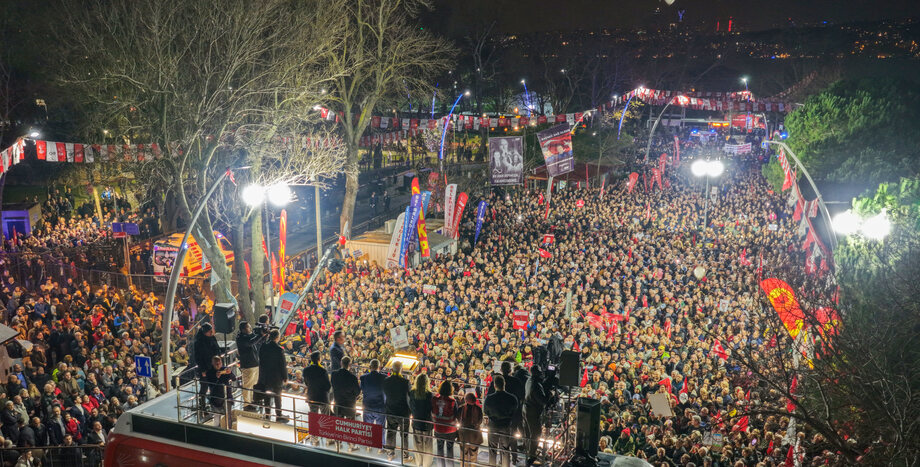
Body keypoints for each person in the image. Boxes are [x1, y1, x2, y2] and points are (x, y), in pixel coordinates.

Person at [483, 375, 518, 467]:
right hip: (506, 425)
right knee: (506, 450)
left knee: (492, 449)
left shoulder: (489, 398)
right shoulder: (512, 398)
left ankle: (492, 465)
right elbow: (515, 411)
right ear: (504, 384)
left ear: (495, 385)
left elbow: (485, 411)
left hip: (493, 425)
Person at [256, 330, 288, 423]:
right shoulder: (279, 349)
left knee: (267, 395)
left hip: (265, 376)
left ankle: (267, 414)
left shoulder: (263, 346)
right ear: (277, 337)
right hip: (276, 377)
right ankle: (279, 415)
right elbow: (282, 365)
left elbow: (260, 360)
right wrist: (285, 377)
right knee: (277, 396)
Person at [382, 361, 411, 461]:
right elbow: (409, 397)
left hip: (390, 410)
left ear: (392, 369)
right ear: (401, 369)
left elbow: (385, 393)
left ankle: (390, 453)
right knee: (404, 434)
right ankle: (405, 455)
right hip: (403, 412)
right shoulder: (406, 382)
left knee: (390, 431)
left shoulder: (386, 381)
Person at [523, 366, 550, 463]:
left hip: (526, 409)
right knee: (536, 434)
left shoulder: (529, 380)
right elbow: (543, 401)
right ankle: (531, 456)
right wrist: (550, 395)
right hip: (533, 412)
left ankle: (529, 451)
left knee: (529, 433)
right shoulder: (536, 385)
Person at [431, 380, 458, 467]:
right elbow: (456, 414)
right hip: (450, 430)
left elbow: (432, 411)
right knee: (450, 449)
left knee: (439, 448)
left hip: (438, 428)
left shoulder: (434, 399)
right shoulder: (453, 401)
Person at [235, 321, 262, 410]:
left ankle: (251, 401)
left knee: (253, 384)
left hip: (254, 363)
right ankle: (247, 404)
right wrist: (261, 335)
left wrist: (262, 334)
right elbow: (251, 342)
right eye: (248, 327)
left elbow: (255, 340)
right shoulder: (241, 338)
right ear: (243, 329)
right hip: (248, 365)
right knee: (247, 384)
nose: (250, 328)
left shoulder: (248, 336)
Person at [193, 323, 220, 409]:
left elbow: (217, 348)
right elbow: (198, 357)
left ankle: (214, 402)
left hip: (214, 366)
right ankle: (202, 405)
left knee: (214, 386)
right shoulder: (199, 342)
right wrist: (203, 369)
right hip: (205, 367)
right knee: (204, 387)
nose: (211, 333)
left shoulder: (212, 338)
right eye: (209, 331)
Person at [408, 373, 433, 467]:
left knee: (417, 444)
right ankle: (427, 464)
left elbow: (410, 406)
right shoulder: (429, 394)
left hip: (416, 422)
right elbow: (431, 409)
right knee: (428, 445)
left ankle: (419, 463)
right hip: (427, 423)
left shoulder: (412, 393)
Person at [360, 359, 387, 428]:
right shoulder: (384, 378)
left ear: (369, 367)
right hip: (380, 407)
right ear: (379, 367)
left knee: (367, 430)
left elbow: (363, 389)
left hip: (367, 406)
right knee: (380, 431)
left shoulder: (363, 378)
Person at [302, 351, 331, 415]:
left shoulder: (306, 370)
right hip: (322, 398)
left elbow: (306, 383)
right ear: (319, 359)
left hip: (311, 396)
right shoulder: (323, 371)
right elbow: (328, 386)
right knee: (325, 417)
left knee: (313, 416)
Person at [457, 392, 483, 465]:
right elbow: (480, 421)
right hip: (475, 435)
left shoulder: (461, 408)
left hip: (463, 435)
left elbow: (458, 419)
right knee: (473, 454)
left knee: (463, 455)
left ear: (466, 400)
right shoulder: (478, 409)